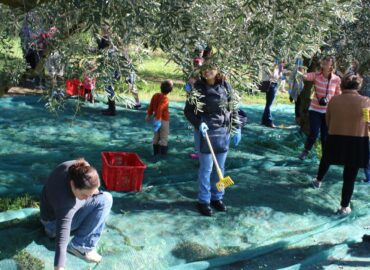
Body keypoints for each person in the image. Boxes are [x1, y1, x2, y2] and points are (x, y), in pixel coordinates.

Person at [184, 64, 242, 216]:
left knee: (220, 168)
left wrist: (236, 127)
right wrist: (199, 123)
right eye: (204, 69)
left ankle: (217, 197)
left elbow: (233, 108)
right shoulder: (198, 88)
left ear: (218, 70)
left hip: (223, 132)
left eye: (210, 68)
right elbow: (188, 111)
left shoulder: (225, 86)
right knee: (207, 168)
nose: (207, 71)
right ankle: (204, 200)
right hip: (205, 133)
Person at [40, 159, 113, 270]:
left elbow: (91, 191)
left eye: (91, 194)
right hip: (52, 226)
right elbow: (62, 240)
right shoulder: (66, 205)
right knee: (105, 200)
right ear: (73, 185)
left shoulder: (81, 168)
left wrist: (91, 193)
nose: (89, 198)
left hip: (53, 210)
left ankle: (81, 242)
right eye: (85, 195)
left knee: (103, 197)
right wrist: (59, 267)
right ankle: (80, 247)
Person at [312, 74, 369, 214]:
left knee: (326, 159)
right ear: (359, 86)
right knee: (350, 176)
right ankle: (344, 207)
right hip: (357, 141)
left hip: (335, 138)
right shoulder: (366, 101)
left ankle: (318, 181)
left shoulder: (334, 100)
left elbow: (328, 121)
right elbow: (368, 123)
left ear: (342, 85)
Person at [299, 56, 342, 160]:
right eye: (324, 61)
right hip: (315, 109)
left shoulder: (336, 79)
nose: (324, 63)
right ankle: (306, 151)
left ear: (331, 66)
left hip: (328, 112)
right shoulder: (316, 75)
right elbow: (305, 76)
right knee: (314, 132)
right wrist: (299, 69)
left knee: (325, 136)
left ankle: (325, 155)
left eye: (328, 61)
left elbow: (338, 95)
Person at [146, 80, 174, 156]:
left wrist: (149, 114)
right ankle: (163, 155)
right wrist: (159, 119)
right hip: (163, 120)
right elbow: (160, 109)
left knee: (156, 136)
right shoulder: (165, 99)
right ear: (170, 91)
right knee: (164, 137)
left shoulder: (155, 95)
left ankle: (155, 153)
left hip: (156, 119)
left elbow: (151, 105)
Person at [260, 59, 284, 128]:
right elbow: (273, 76)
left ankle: (264, 120)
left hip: (273, 85)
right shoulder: (268, 66)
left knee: (268, 103)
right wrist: (278, 71)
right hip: (271, 85)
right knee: (269, 104)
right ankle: (269, 122)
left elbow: (279, 77)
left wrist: (280, 71)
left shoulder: (273, 67)